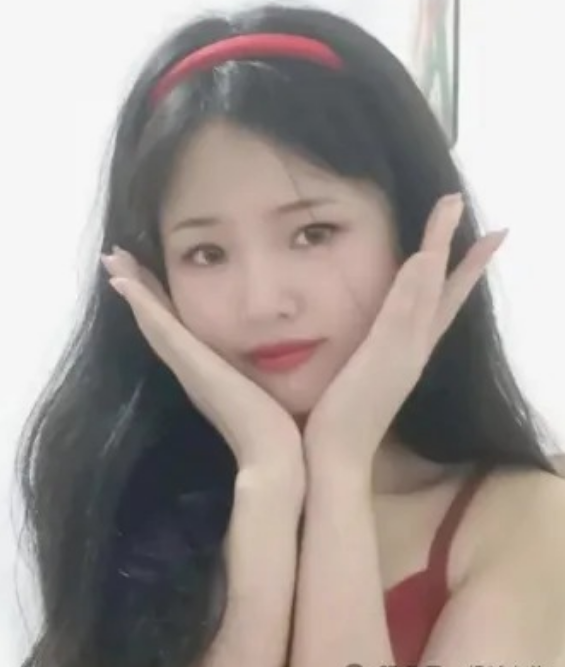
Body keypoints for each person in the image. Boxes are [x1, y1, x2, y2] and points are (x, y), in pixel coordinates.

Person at [14, 4, 565, 667]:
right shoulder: (125, 517)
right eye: (206, 253)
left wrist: (339, 467)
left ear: (414, 236)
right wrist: (270, 482)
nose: (263, 301)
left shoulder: (523, 520)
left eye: (312, 233)